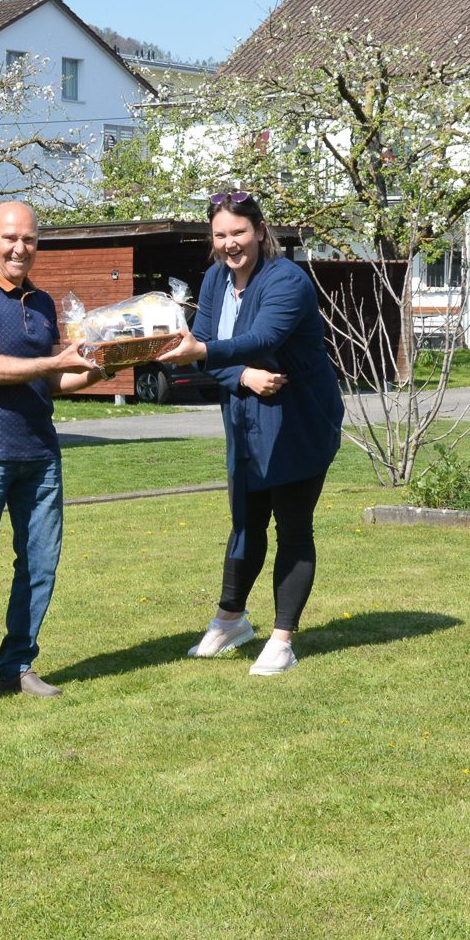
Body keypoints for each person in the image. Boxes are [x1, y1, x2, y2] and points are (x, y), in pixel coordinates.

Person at [157, 191, 344, 676]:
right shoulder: (216, 279)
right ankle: (231, 619)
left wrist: (206, 353)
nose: (229, 244)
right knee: (246, 522)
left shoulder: (288, 280)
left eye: (238, 232)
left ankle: (282, 640)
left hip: (298, 422)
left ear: (260, 231)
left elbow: (262, 338)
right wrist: (241, 376)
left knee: (293, 526)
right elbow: (210, 348)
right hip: (244, 421)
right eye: (220, 235)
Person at [0, 201, 101, 713]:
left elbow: (55, 380)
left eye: (28, 239)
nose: (19, 248)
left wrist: (107, 365)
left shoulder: (44, 301)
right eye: (9, 238)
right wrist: (56, 359)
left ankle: (18, 666)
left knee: (40, 566)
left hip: (40, 453)